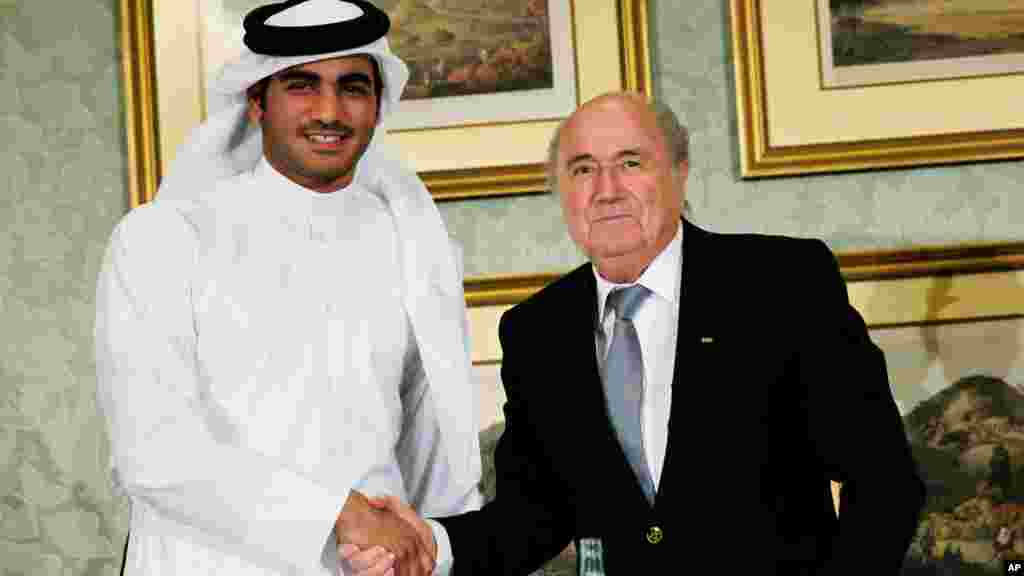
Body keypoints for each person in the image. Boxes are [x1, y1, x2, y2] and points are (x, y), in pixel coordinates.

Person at [346, 92, 926, 575]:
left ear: (678, 173)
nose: (606, 190)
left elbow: (884, 482)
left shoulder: (781, 287)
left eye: (630, 162)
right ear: (562, 194)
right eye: (582, 170)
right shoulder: (537, 331)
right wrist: (431, 547)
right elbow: (533, 517)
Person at [94, 1, 483, 575]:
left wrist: (422, 549)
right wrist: (338, 512)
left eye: (353, 87)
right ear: (256, 101)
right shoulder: (163, 238)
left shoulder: (414, 243)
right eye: (302, 85)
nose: (330, 110)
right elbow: (154, 451)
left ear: (377, 106)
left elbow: (433, 450)